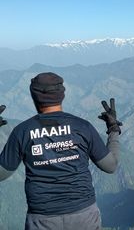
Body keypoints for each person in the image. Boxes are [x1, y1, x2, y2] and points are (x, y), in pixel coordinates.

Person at [0, 72, 122, 230]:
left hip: (42, 219)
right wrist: (113, 129)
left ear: (34, 96)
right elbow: (110, 166)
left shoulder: (22, 132)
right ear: (62, 95)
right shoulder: (83, 127)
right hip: (84, 216)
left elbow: (2, 173)